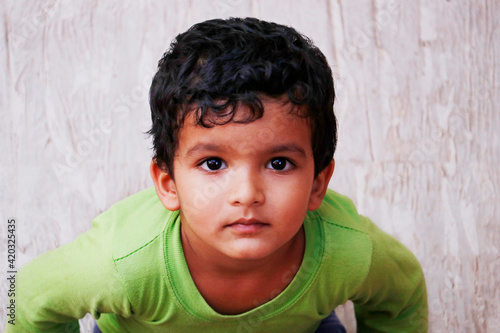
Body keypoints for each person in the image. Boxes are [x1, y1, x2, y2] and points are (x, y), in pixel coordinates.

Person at [6, 17, 427, 332]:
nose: (247, 194)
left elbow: (401, 295)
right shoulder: (123, 263)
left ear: (318, 182)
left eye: (279, 163)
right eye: (213, 164)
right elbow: (24, 299)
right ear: (168, 184)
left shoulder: (346, 250)